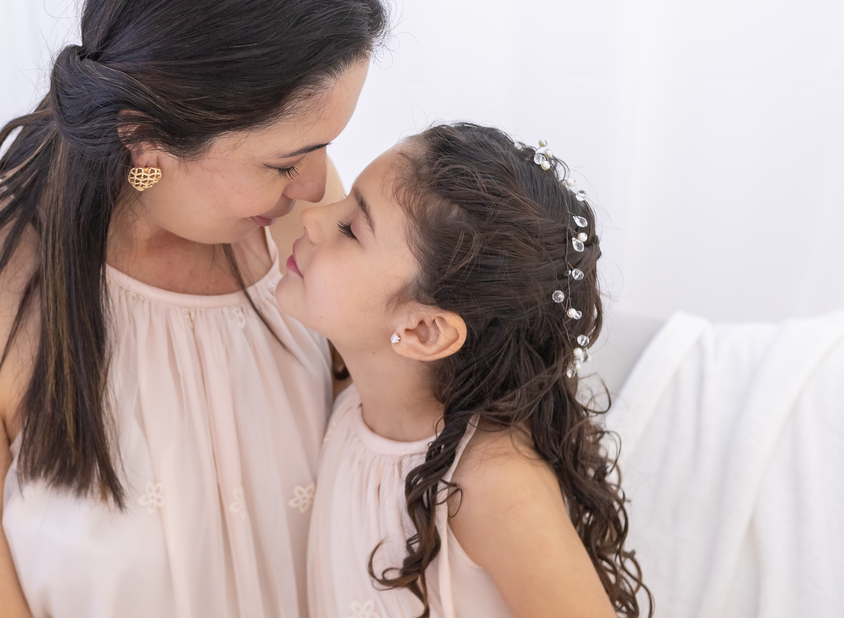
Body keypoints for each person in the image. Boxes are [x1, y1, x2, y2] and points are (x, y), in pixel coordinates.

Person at [0, 0, 386, 618]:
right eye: (280, 162)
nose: (315, 187)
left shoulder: (302, 213)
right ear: (144, 142)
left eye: (324, 147)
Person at [277, 123, 652, 618]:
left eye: (351, 228)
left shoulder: (492, 484)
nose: (314, 219)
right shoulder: (352, 396)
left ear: (426, 331)